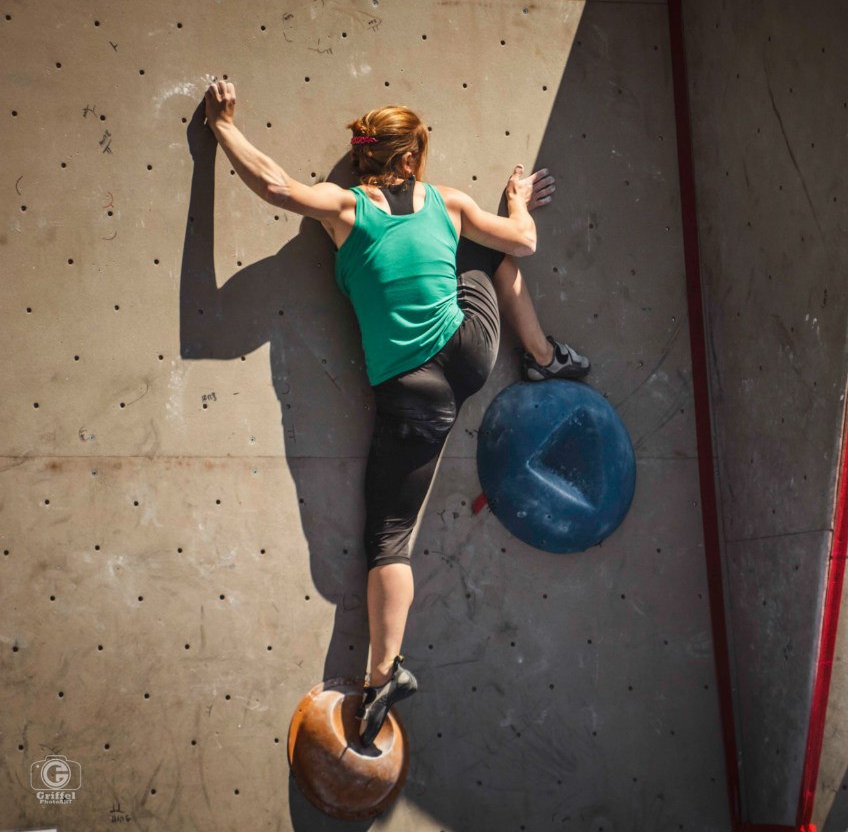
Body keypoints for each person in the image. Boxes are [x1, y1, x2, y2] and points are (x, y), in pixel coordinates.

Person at [202, 79, 588, 745]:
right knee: (487, 254)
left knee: (389, 536)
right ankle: (546, 356)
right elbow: (522, 242)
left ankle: (385, 672)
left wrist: (223, 128)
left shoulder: (345, 210)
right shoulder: (451, 202)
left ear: (366, 156)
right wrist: (517, 203)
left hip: (415, 396)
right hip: (471, 350)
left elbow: (276, 187)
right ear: (411, 160)